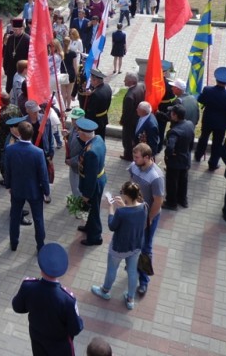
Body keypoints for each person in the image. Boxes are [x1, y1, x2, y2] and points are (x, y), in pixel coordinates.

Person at [12, 243, 83, 356]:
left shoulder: (28, 286)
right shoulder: (67, 300)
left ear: (41, 267)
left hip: (37, 339)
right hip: (60, 347)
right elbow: (75, 329)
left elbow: (17, 307)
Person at [90, 181, 147, 310]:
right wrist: (124, 206)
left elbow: (112, 226)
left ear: (127, 196)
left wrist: (111, 209)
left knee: (112, 269)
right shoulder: (144, 206)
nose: (120, 195)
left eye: (122, 193)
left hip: (119, 247)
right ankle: (130, 299)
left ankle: (105, 291)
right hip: (136, 245)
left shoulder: (122, 212)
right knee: (133, 272)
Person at [5, 121, 50, 252]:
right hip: (34, 191)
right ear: (32, 134)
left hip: (17, 189)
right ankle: (40, 246)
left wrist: (8, 185)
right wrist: (46, 192)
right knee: (38, 219)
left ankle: (14, 243)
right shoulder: (38, 152)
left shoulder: (10, 149)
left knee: (14, 217)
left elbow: (7, 170)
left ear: (19, 132)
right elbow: (43, 174)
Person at [128, 143, 164, 296]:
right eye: (134, 156)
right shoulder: (134, 166)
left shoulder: (156, 177)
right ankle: (132, 267)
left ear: (147, 158)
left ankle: (144, 281)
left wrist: (148, 220)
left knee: (145, 247)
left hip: (148, 216)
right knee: (134, 242)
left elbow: (158, 201)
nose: (134, 160)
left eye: (137, 157)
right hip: (134, 212)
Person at [194, 66, 226, 171]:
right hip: (221, 124)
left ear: (216, 79)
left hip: (208, 119)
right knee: (217, 144)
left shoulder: (207, 90)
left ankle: (198, 156)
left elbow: (201, 99)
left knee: (203, 138)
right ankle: (213, 164)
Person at [74, 118, 107, 247]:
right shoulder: (97, 139)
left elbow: (91, 177)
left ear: (84, 134)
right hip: (99, 178)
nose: (77, 133)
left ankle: (95, 237)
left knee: (94, 211)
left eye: (78, 132)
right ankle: (89, 227)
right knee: (92, 210)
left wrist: (87, 194)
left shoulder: (91, 153)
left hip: (93, 184)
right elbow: (85, 146)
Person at [162, 105, 195, 211]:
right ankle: (182, 200)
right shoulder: (190, 124)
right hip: (186, 158)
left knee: (172, 182)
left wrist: (169, 155)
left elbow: (170, 147)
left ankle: (171, 203)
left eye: (171, 113)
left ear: (175, 116)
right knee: (183, 180)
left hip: (175, 162)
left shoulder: (174, 131)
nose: (170, 115)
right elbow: (191, 141)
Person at [119, 74, 145, 162]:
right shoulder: (141, 86)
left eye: (125, 80)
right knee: (134, 137)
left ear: (131, 82)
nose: (124, 81)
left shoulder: (129, 96)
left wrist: (122, 121)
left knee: (127, 139)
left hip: (130, 122)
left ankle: (128, 155)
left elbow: (127, 112)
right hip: (138, 118)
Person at [83, 69, 112, 139]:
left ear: (95, 80)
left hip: (95, 122)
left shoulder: (95, 94)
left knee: (95, 140)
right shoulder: (107, 87)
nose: (90, 81)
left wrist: (86, 123)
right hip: (103, 118)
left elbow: (91, 112)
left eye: (91, 80)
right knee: (101, 138)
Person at [3, 18, 30, 93]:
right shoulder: (11, 38)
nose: (15, 31)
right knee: (9, 88)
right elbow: (6, 54)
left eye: (17, 29)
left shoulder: (27, 39)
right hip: (11, 68)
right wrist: (5, 67)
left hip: (22, 69)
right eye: (14, 29)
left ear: (22, 28)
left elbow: (29, 56)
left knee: (20, 90)